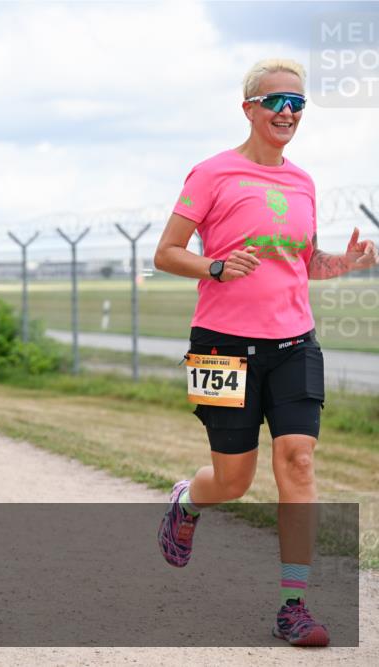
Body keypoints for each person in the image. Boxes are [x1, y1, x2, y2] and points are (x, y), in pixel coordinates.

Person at [153, 59, 378, 648]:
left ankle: (294, 606)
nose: (287, 112)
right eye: (276, 101)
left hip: (293, 344)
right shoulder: (212, 174)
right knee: (232, 480)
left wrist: (344, 265)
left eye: (298, 104)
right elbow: (167, 253)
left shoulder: (303, 182)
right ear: (249, 107)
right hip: (221, 350)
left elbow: (301, 265)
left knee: (298, 462)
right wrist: (216, 266)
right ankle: (187, 499)